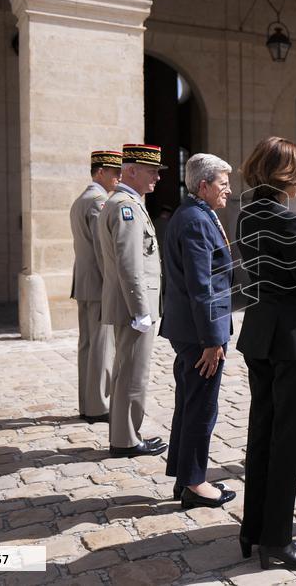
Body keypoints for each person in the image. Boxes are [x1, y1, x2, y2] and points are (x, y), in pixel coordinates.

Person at [236, 136, 296, 570]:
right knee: (287, 441)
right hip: (290, 339)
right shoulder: (287, 220)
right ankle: (277, 540)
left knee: (261, 432)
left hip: (258, 332)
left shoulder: (246, 214)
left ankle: (253, 529)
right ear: (286, 176)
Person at [159, 154, 237, 509]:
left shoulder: (195, 213)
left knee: (190, 403)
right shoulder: (195, 220)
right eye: (222, 184)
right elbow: (202, 285)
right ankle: (194, 483)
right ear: (203, 186)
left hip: (190, 328)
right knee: (202, 408)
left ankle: (184, 476)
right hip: (198, 333)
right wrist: (212, 339)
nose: (228, 191)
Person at [97, 143, 168, 458]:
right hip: (134, 306)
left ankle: (126, 434)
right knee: (131, 373)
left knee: (129, 370)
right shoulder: (126, 207)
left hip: (131, 304)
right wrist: (140, 309)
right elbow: (129, 264)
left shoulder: (128, 203)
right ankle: (126, 440)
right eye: (152, 171)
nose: (156, 178)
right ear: (132, 171)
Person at [69, 150, 122, 424]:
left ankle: (87, 402)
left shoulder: (81, 199)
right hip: (99, 284)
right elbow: (103, 251)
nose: (118, 178)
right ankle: (98, 405)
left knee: (88, 346)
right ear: (100, 172)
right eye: (114, 173)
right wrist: (113, 285)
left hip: (84, 283)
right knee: (101, 347)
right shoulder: (99, 201)